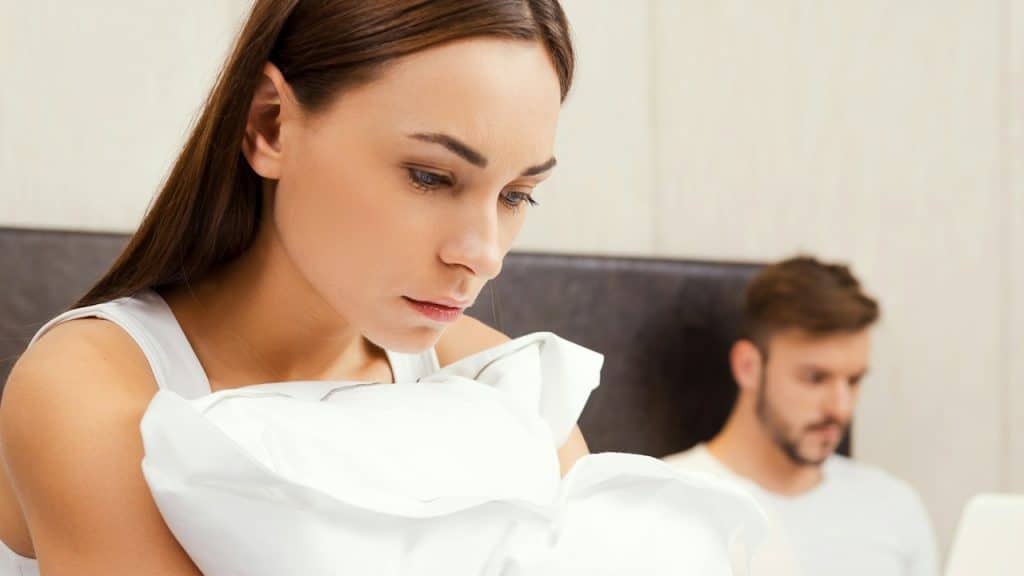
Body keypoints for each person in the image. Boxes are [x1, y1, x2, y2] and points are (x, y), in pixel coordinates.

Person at [0, 2, 584, 573]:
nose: (484, 255)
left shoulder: (489, 378)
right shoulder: (86, 390)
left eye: (517, 195)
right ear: (270, 124)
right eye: (429, 177)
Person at [664, 256, 940, 576]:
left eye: (853, 380)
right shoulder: (667, 501)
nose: (840, 407)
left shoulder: (894, 507)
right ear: (748, 367)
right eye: (815, 378)